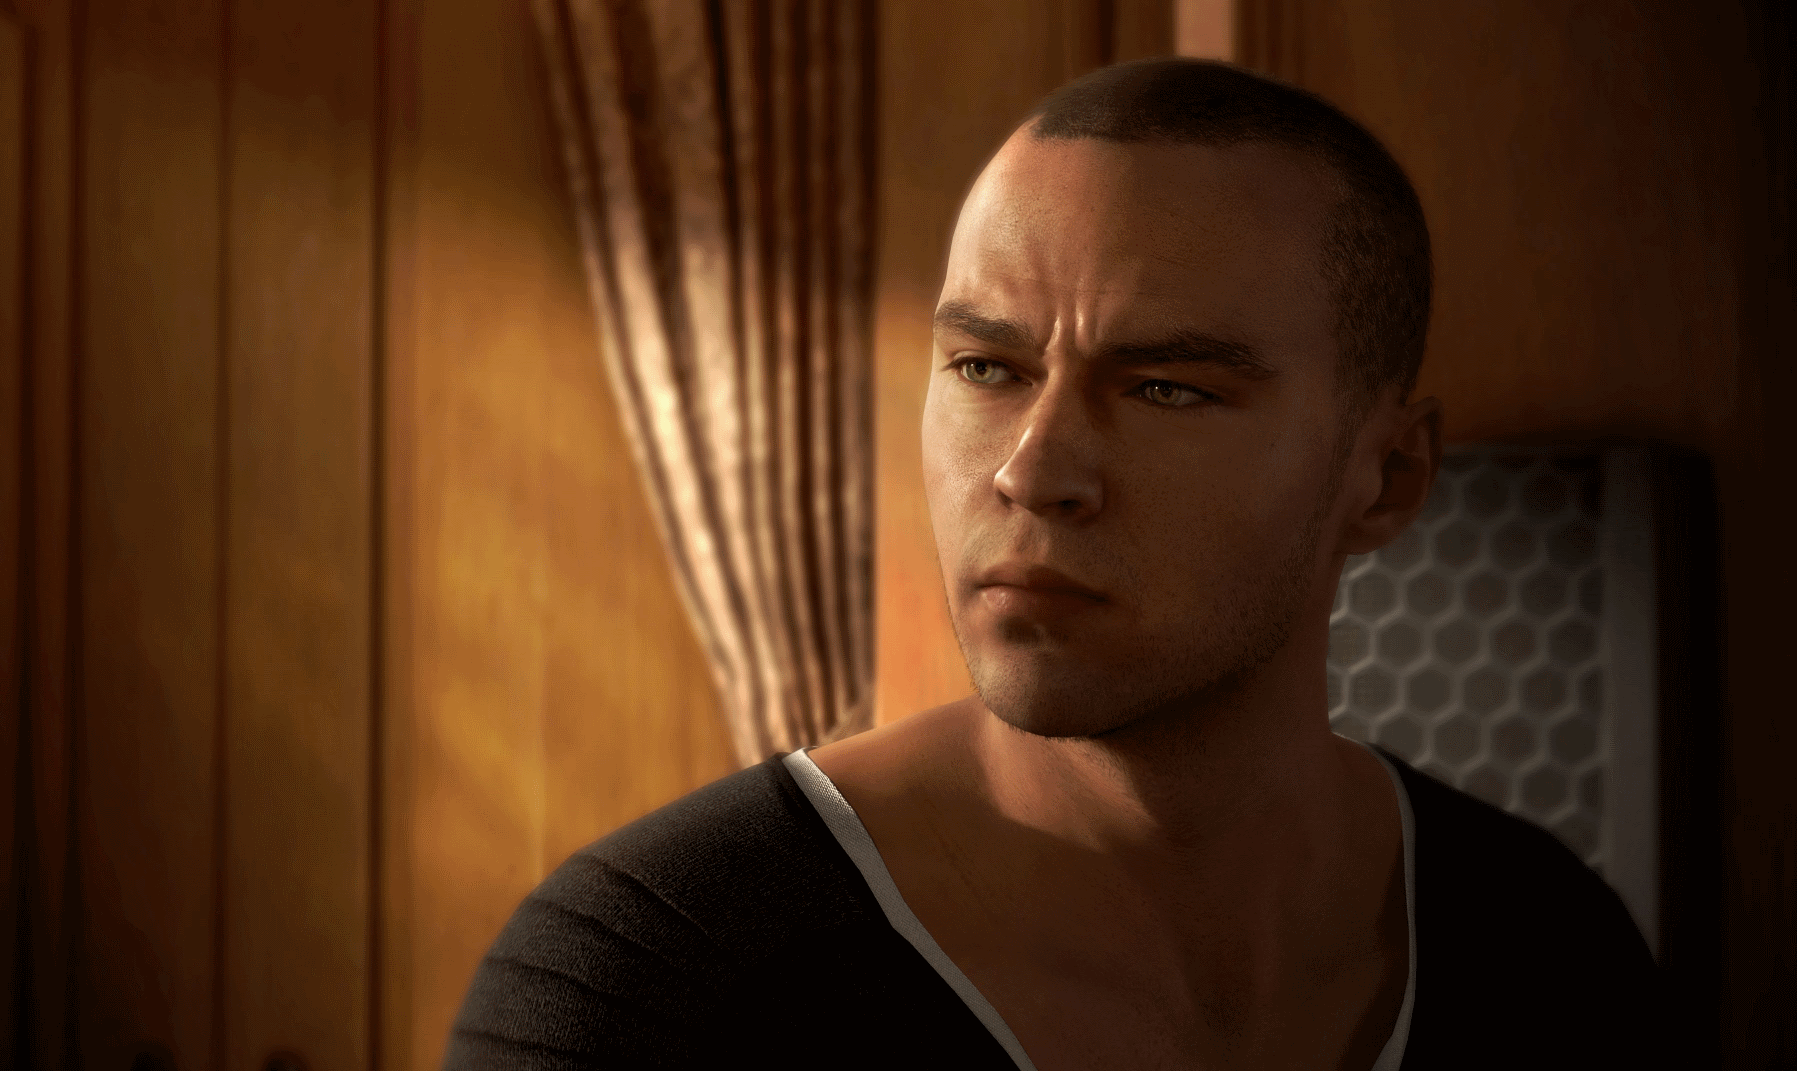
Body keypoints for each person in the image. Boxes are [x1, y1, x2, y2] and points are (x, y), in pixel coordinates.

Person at [444, 58, 1656, 1070]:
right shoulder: (649, 984)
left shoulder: (1544, 949)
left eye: (1167, 388)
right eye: (988, 369)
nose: (1033, 470)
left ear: (1386, 478)